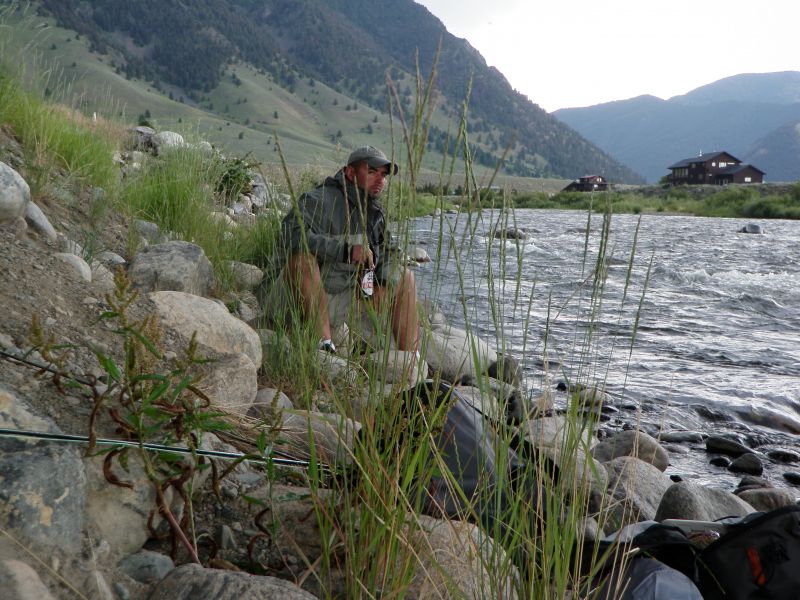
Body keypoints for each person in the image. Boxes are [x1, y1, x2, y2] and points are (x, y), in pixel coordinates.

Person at [260, 145, 419, 357]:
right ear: (350, 172)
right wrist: (346, 251)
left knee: (405, 278)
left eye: (383, 175)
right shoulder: (317, 199)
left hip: (337, 299)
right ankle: (324, 348)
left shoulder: (373, 212)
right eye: (372, 172)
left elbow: (391, 252)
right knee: (303, 260)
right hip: (289, 300)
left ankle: (410, 362)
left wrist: (384, 281)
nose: (380, 180)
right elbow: (290, 235)